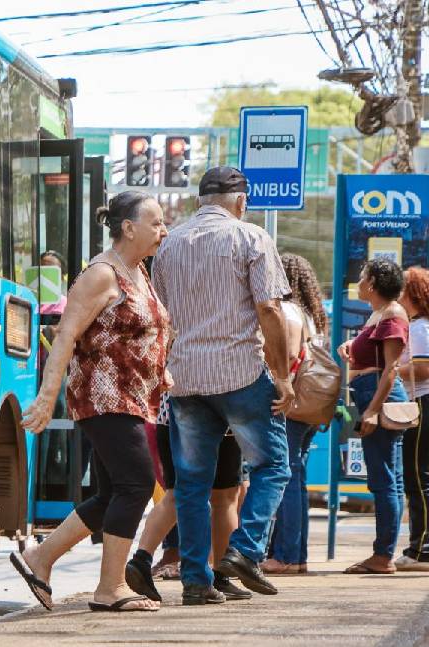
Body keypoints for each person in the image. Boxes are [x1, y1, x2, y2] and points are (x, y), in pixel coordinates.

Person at [11, 190, 169, 613]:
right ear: (129, 228)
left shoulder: (138, 272)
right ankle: (110, 587)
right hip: (104, 395)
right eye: (155, 223)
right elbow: (65, 336)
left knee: (111, 492)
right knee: (136, 483)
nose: (163, 230)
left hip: (132, 397)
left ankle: (39, 559)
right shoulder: (102, 274)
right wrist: (46, 399)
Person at [151, 166, 294, 606]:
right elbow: (269, 309)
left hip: (187, 379)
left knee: (192, 484)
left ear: (200, 199)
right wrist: (284, 376)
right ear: (241, 201)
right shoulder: (251, 238)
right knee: (274, 466)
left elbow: (164, 317)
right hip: (240, 374)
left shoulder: (169, 244)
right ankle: (245, 552)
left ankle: (196, 580)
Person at [126, 395, 252, 602]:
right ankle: (219, 576)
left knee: (175, 495)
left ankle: (141, 561)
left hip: (169, 416)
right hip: (220, 416)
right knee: (225, 497)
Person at [339, 258, 410, 574]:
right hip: (371, 394)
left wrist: (372, 410)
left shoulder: (393, 314)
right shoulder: (379, 314)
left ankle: (383, 555)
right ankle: (383, 552)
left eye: (364, 276)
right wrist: (351, 345)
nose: (360, 280)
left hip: (379, 399)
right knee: (387, 479)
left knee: (384, 480)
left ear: (375, 283)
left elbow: (391, 369)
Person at [262, 253, 330, 575]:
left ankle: (285, 555)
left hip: (290, 404)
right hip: (310, 406)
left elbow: (287, 355)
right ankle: (297, 555)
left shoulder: (288, 312)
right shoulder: (313, 315)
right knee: (297, 478)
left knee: (286, 477)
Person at [395, 267, 429, 571]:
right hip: (420, 400)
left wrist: (391, 370)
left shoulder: (420, 329)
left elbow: (423, 368)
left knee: (418, 477)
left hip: (421, 401)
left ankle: (422, 549)